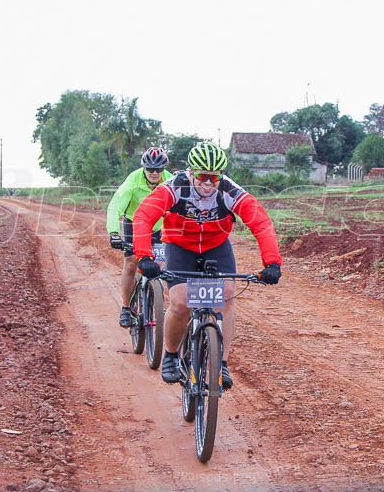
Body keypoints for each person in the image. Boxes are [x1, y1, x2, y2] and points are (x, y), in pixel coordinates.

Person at [132, 141, 282, 390]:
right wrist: (144, 257)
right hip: (180, 246)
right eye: (202, 176)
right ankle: (170, 355)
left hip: (216, 246)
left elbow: (262, 224)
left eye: (214, 177)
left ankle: (222, 363)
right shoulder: (174, 188)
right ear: (191, 173)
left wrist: (272, 262)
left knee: (226, 296)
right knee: (180, 302)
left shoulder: (230, 191)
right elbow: (144, 216)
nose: (208, 183)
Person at [106, 147, 173, 328]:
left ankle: (158, 301)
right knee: (131, 261)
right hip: (134, 224)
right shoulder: (133, 181)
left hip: (158, 226)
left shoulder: (170, 180)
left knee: (162, 263)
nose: (154, 173)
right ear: (143, 167)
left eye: (158, 169)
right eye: (150, 169)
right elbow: (114, 207)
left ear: (164, 168)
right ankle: (126, 308)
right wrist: (113, 233)